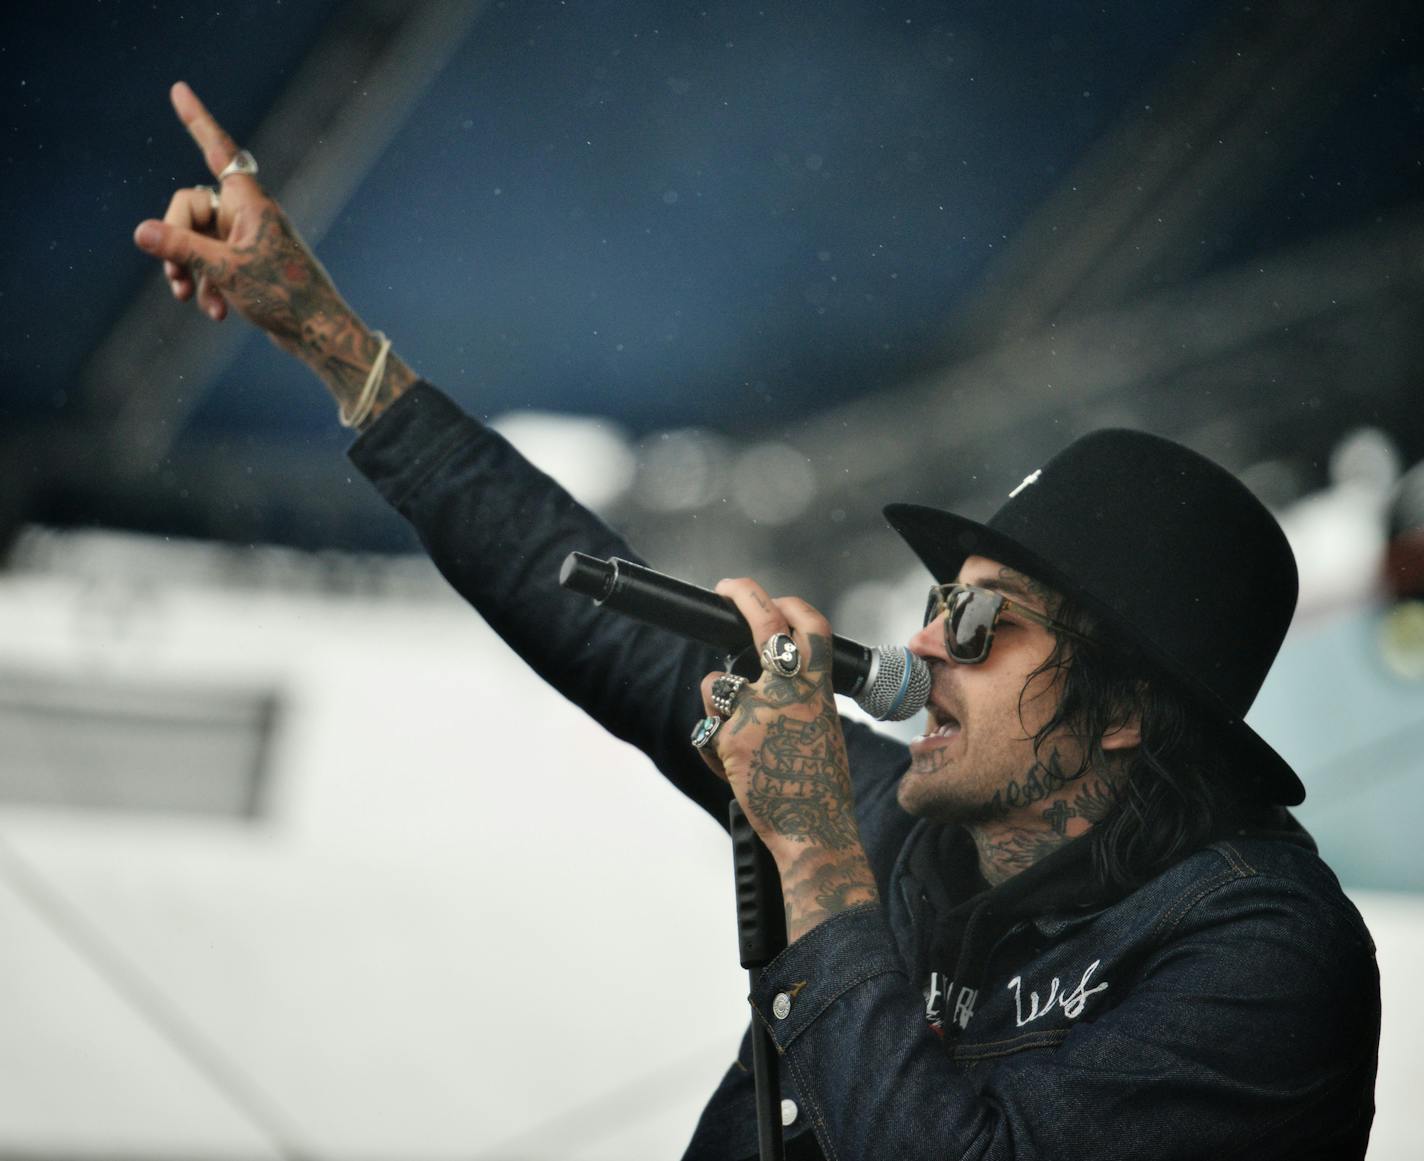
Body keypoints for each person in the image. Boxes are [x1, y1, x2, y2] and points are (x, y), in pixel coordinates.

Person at [134, 83, 1380, 1160]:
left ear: (1125, 712)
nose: (930, 639)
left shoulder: (1258, 957)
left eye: (987, 619)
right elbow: (582, 599)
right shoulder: (909, 828)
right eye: (943, 600)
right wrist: (329, 338)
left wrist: (813, 857)